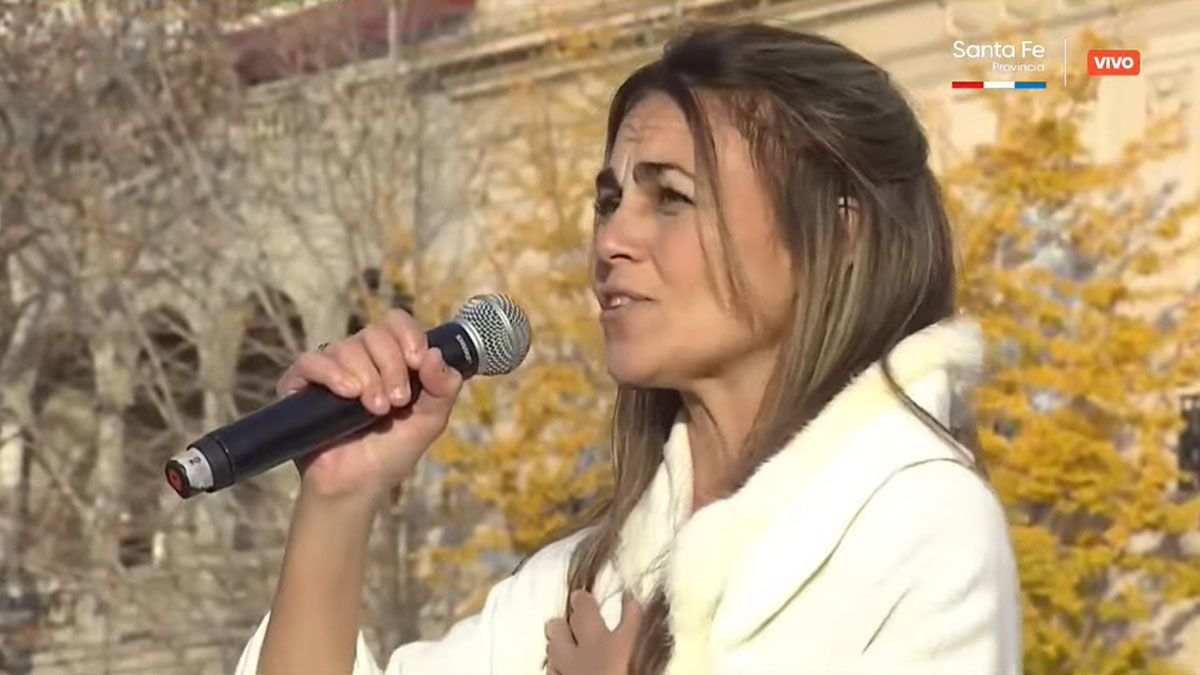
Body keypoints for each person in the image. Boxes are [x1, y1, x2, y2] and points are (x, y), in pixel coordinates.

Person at [236, 22, 1022, 675]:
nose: (612, 239)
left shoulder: (922, 524)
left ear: (839, 229)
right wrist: (338, 502)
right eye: (609, 200)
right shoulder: (584, 581)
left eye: (670, 197)